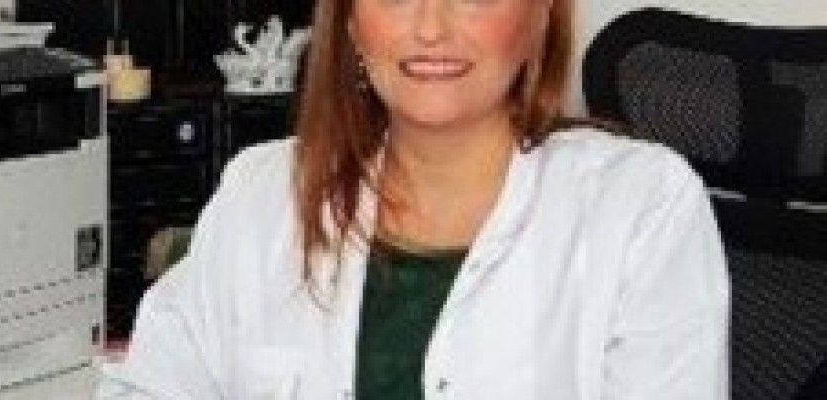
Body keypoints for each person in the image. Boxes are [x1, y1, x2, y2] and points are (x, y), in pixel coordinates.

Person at [97, 0, 729, 398]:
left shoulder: (642, 210)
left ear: (539, 17)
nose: (430, 27)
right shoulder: (264, 193)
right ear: (349, 21)